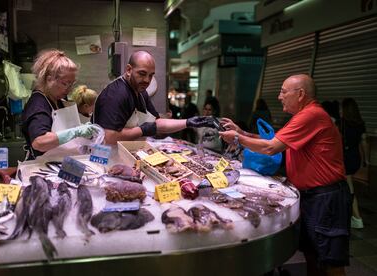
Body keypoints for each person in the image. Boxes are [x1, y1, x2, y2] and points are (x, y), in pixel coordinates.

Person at [219, 74, 351, 276]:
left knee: (330, 259)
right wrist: (242, 132)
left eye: (283, 91)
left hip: (326, 198)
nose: (279, 97)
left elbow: (272, 147)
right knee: (313, 254)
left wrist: (238, 139)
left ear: (300, 94)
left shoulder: (312, 115)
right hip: (312, 196)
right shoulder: (302, 116)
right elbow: (276, 139)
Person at [92, 50, 215, 144]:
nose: (147, 80)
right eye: (142, 74)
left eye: (151, 75)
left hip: (125, 153)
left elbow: (157, 123)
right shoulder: (117, 94)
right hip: (105, 159)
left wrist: (188, 122)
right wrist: (142, 130)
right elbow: (109, 137)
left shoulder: (141, 92)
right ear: (129, 70)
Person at [22, 49, 100, 160]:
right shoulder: (38, 103)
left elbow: (63, 133)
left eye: (72, 84)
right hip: (43, 167)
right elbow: (39, 142)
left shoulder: (58, 100)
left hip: (63, 163)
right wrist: (75, 132)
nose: (69, 89)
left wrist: (81, 131)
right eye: (65, 84)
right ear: (49, 80)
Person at [340, 98, 366, 229]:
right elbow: (364, 142)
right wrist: (366, 160)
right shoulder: (360, 123)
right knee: (346, 186)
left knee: (349, 188)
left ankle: (357, 217)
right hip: (355, 157)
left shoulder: (342, 123)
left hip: (345, 157)